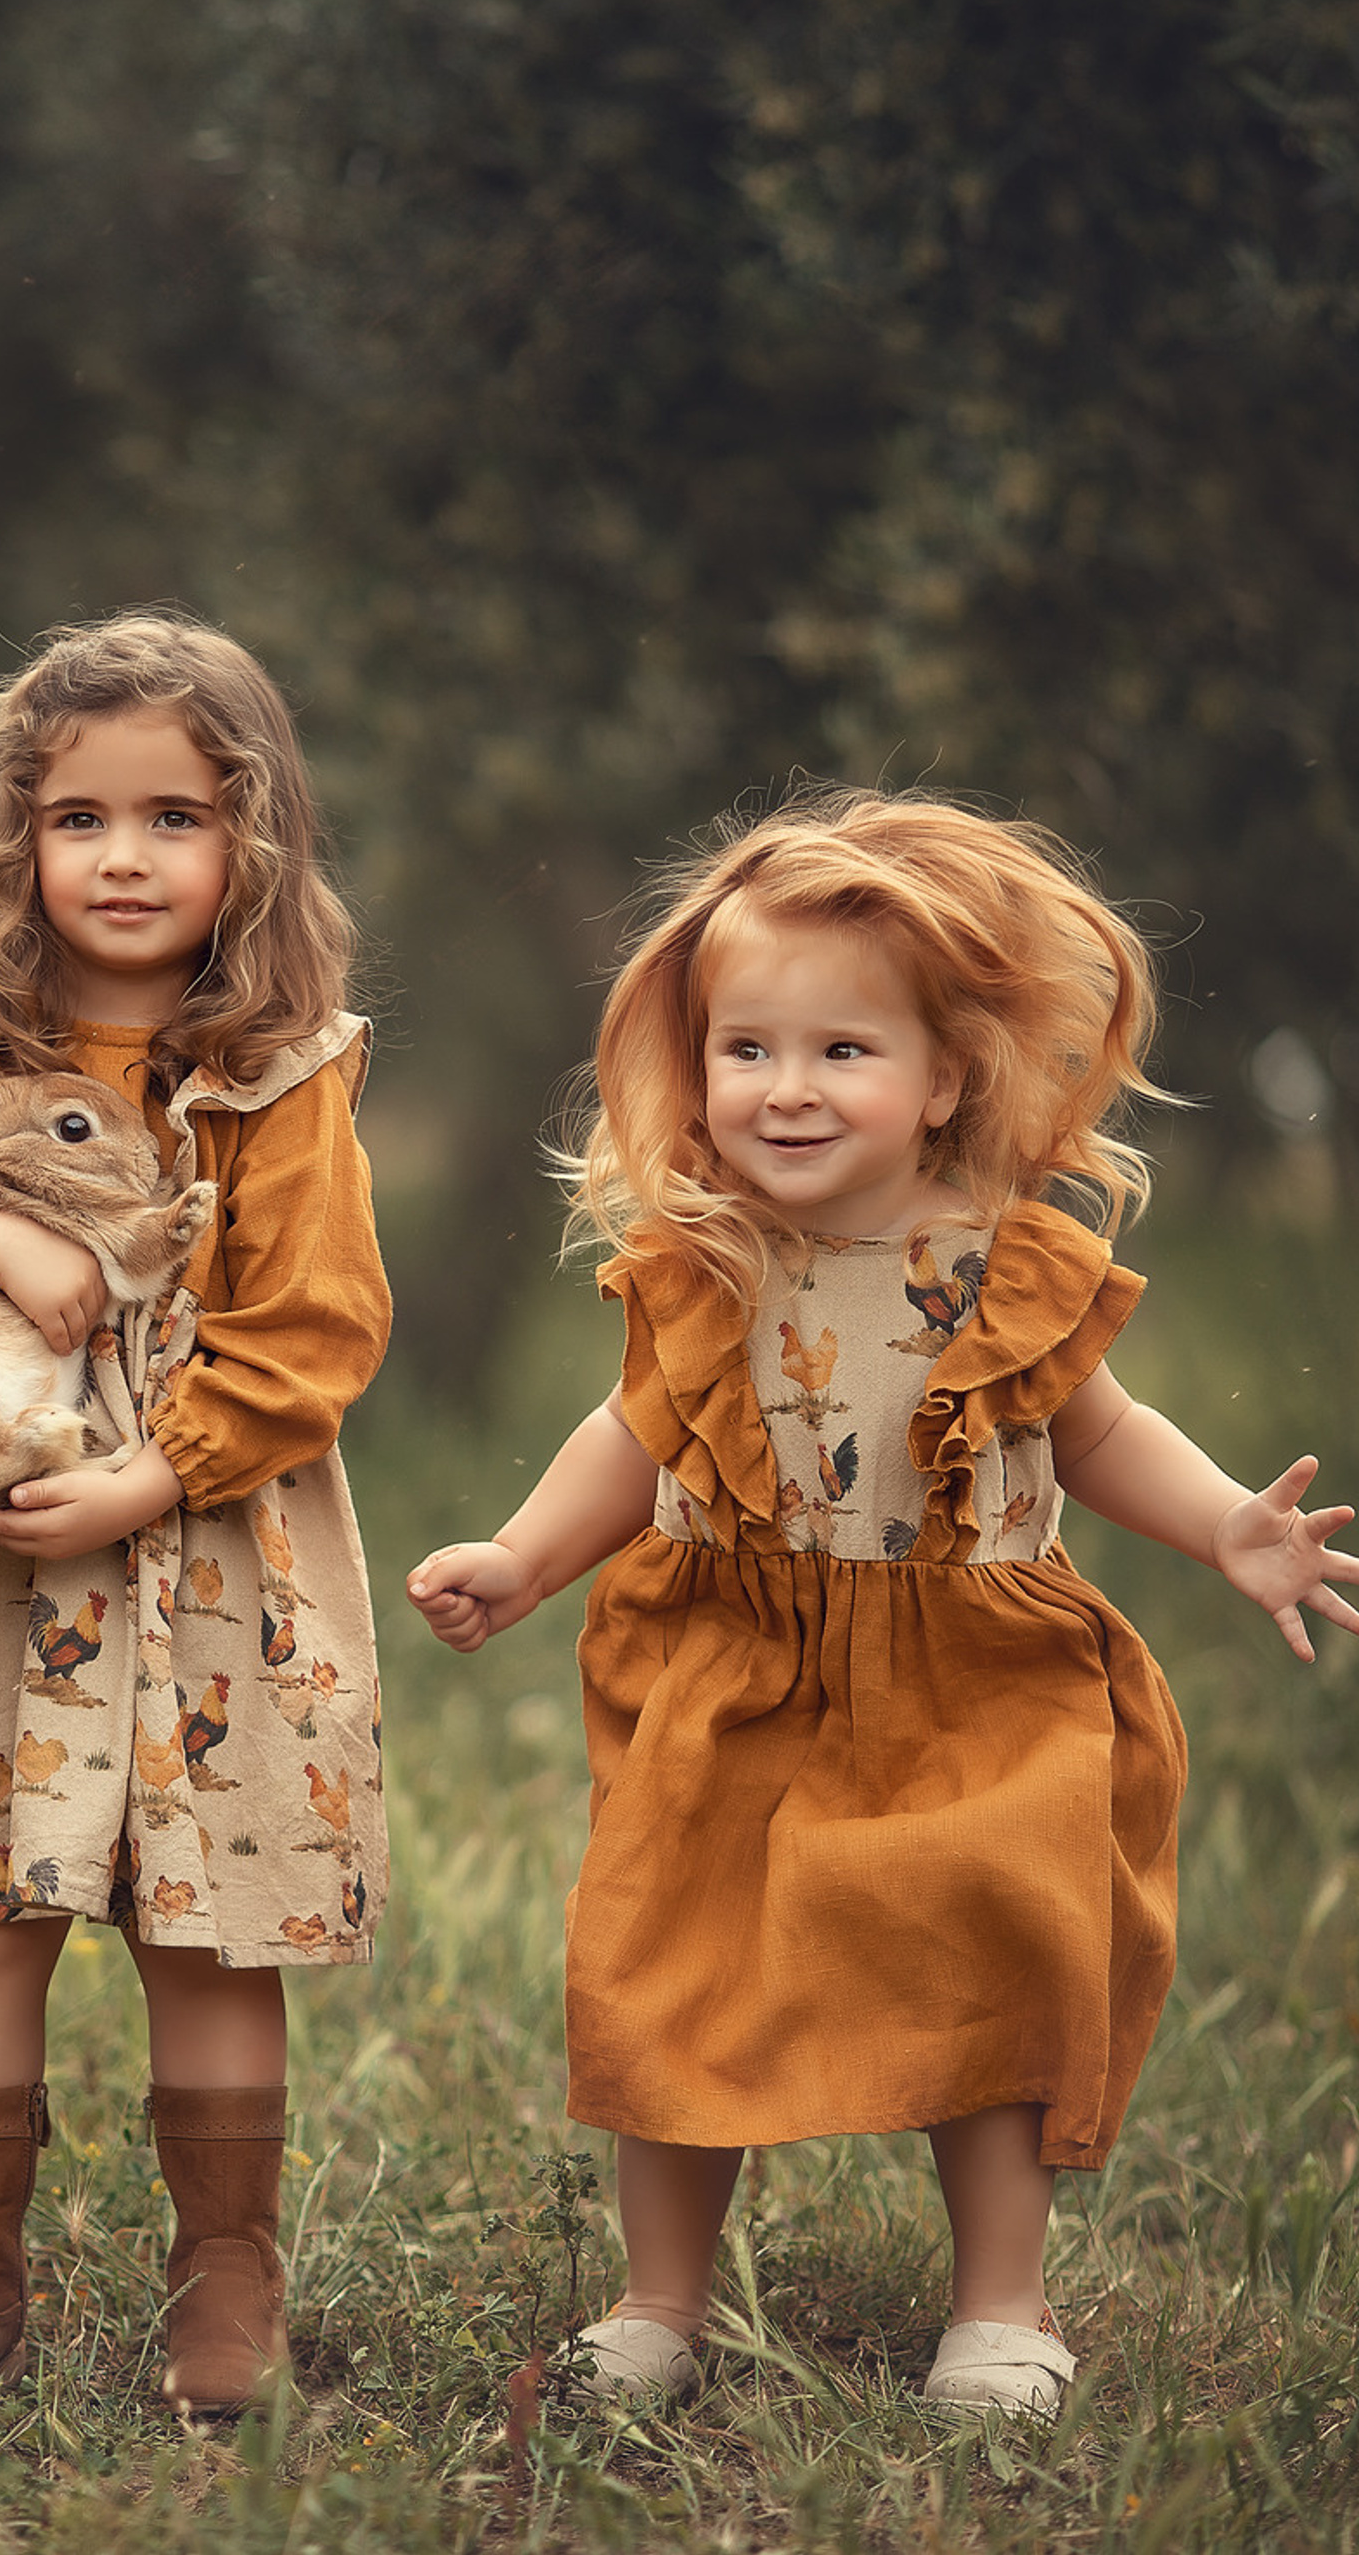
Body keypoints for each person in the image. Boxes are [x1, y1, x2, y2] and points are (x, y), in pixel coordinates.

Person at [407, 787, 1358, 2414]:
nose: (785, 1088)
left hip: (971, 1661)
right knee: (674, 1963)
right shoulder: (704, 1258)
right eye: (747, 1049)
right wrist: (522, 1555)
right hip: (735, 1663)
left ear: (944, 1083)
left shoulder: (1002, 1262)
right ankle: (657, 2304)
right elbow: (632, 1434)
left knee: (995, 1957)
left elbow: (1097, 1432)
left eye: (841, 1050)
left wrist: (1228, 1531)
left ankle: (1002, 2308)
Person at [0, 614, 391, 2414]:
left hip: (208, 1547)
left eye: (174, 818)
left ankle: (227, 2270)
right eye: (79, 819)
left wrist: (155, 1469)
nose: (124, 858)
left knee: (210, 1920)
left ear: (250, 842)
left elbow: (319, 1325)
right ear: (19, 840)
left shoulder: (284, 1069)